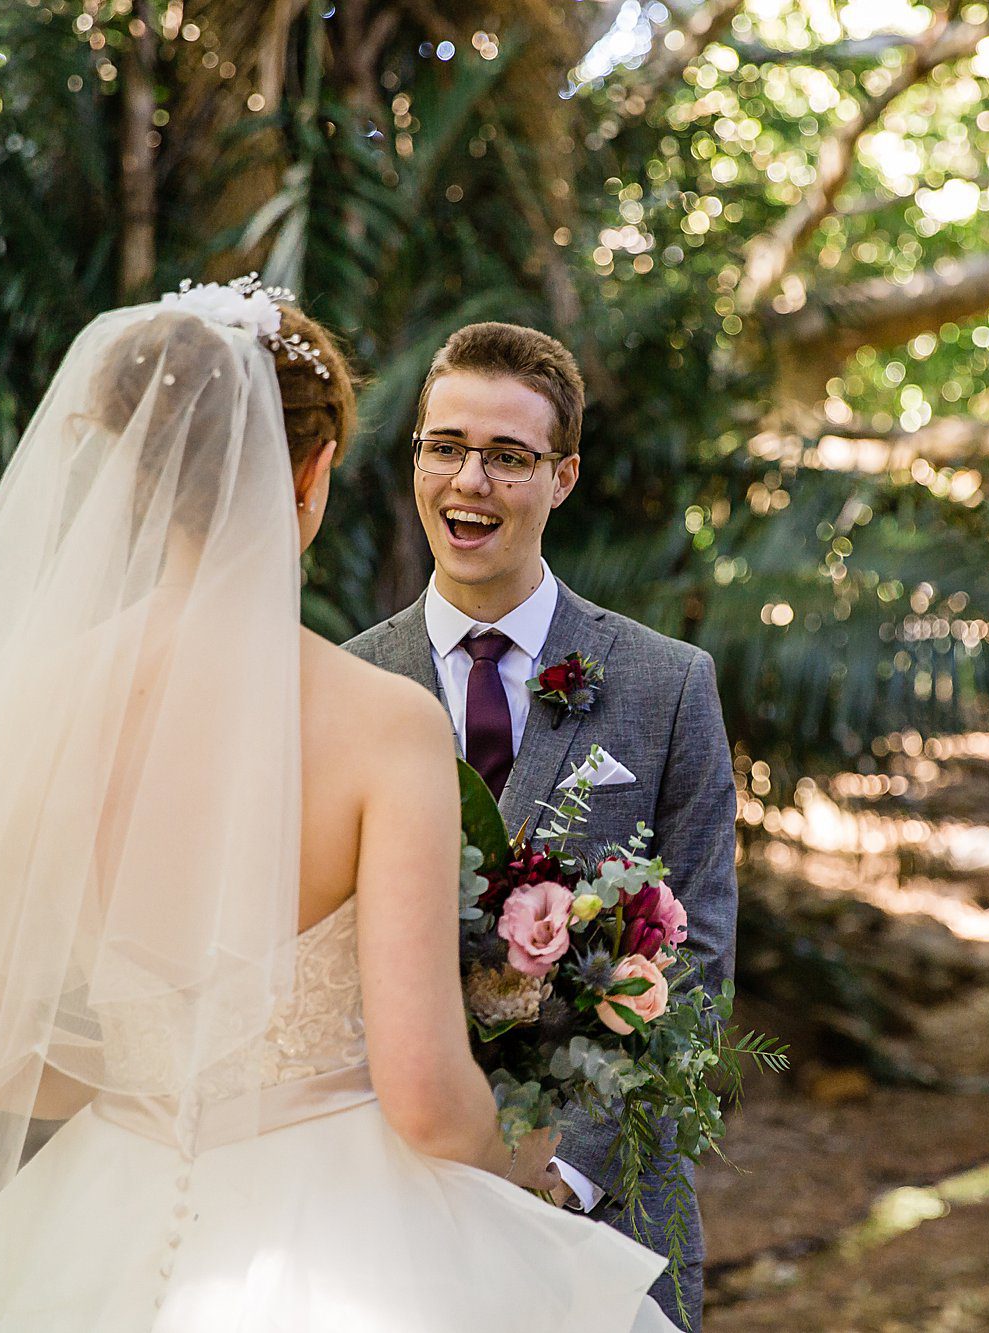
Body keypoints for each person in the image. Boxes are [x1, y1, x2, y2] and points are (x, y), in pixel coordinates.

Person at [0, 288, 677, 1332]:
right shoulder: (383, 724)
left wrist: (155, 1070)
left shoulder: (42, 702)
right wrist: (521, 1155)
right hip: (342, 1218)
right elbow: (424, 1096)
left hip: (99, 1201)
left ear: (135, 475)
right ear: (312, 473)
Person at [345, 322, 738, 1330]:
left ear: (562, 477)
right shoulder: (345, 688)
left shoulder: (666, 685)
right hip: (386, 1215)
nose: (468, 482)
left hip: (604, 1230)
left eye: (508, 457)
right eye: (444, 446)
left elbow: (698, 961)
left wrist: (563, 1166)